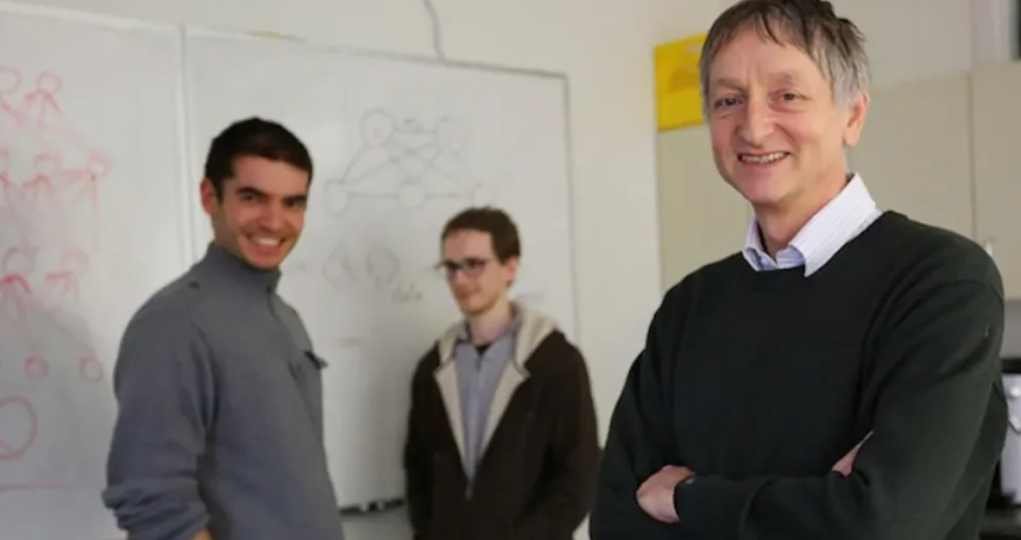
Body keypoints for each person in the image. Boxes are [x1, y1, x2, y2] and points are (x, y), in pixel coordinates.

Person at [590, 1, 1007, 539]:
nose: (754, 127)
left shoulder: (941, 285)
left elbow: (877, 525)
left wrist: (686, 497)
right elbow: (616, 522)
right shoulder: (688, 308)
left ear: (852, 115)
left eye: (787, 96)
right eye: (729, 100)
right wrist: (815, 506)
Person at [102, 118, 344, 540]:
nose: (275, 222)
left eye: (292, 203)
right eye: (252, 198)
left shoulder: (285, 317)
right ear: (209, 197)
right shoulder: (173, 325)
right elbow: (153, 501)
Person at [403, 206, 601, 540]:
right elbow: (418, 472)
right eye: (451, 267)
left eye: (474, 265)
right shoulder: (432, 369)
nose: (459, 280)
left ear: (510, 267)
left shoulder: (555, 361)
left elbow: (579, 476)